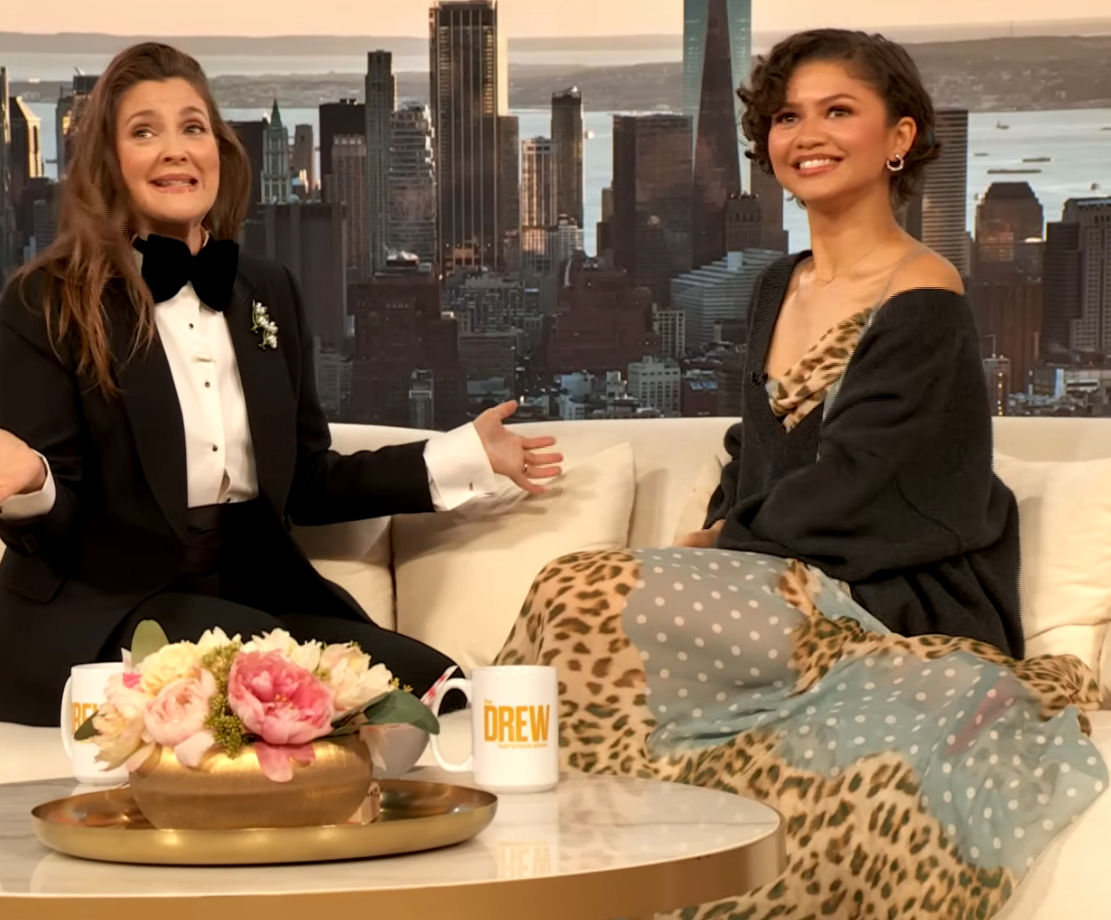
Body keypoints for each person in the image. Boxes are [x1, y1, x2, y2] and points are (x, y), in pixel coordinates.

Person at [494, 29, 1106, 919]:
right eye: (787, 116)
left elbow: (869, 491)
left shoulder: (924, 295)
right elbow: (753, 455)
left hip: (890, 602)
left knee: (576, 590)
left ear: (898, 138)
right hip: (775, 585)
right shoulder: (777, 285)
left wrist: (715, 549)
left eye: (837, 112)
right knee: (581, 603)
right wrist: (716, 546)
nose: (805, 134)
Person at [0, 42, 562, 728]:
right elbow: (61, 525)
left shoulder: (265, 289)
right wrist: (31, 482)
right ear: (108, 165)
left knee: (435, 691)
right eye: (144, 131)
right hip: (108, 602)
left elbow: (307, 481)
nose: (175, 149)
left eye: (193, 127)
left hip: (250, 590)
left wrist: (464, 454)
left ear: (221, 151)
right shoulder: (46, 301)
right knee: (305, 699)